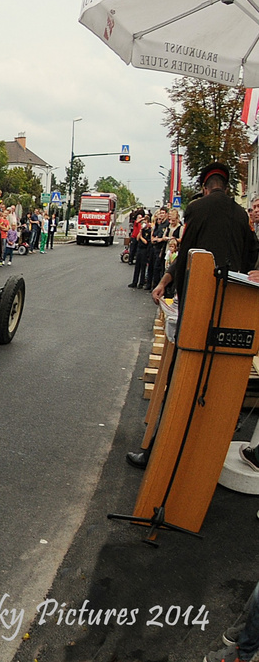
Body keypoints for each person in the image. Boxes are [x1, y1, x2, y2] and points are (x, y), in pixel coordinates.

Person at [128, 163, 259, 470]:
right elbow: (253, 255)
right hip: (232, 310)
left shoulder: (197, 209)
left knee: (182, 378)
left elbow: (187, 252)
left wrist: (163, 282)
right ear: (225, 187)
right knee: (216, 386)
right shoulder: (242, 216)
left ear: (204, 187)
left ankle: (157, 454)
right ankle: (201, 461)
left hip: (198, 306)